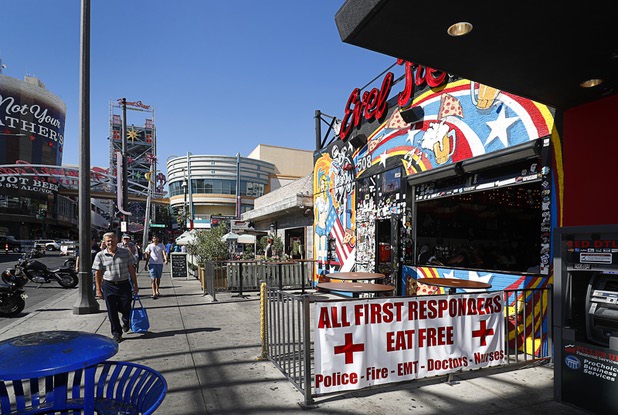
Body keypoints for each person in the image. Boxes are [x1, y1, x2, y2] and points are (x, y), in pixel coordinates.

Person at [92, 232, 139, 343]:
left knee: (126, 306)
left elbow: (131, 269)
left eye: (112, 240)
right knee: (111, 311)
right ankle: (117, 333)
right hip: (109, 285)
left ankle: (126, 320)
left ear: (117, 241)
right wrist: (98, 290)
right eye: (108, 240)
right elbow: (97, 273)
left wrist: (135, 285)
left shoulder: (125, 253)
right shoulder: (100, 255)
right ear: (104, 242)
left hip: (124, 284)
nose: (110, 242)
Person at [143, 234, 168, 299]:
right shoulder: (149, 246)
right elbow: (147, 256)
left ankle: (157, 290)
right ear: (152, 239)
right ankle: (153, 292)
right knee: (153, 278)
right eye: (154, 238)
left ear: (158, 239)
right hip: (152, 263)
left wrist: (165, 260)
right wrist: (146, 264)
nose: (155, 239)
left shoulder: (161, 245)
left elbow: (164, 253)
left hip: (159, 263)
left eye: (156, 238)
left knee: (158, 278)